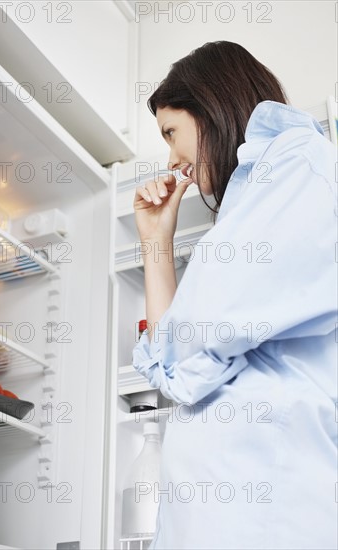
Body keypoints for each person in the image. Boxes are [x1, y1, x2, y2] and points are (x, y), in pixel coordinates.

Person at [132, 41, 337, 550]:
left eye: (171, 133)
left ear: (210, 106)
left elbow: (183, 353)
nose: (172, 159)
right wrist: (155, 242)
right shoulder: (264, 193)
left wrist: (173, 352)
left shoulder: (299, 165)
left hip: (267, 506)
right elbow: (178, 364)